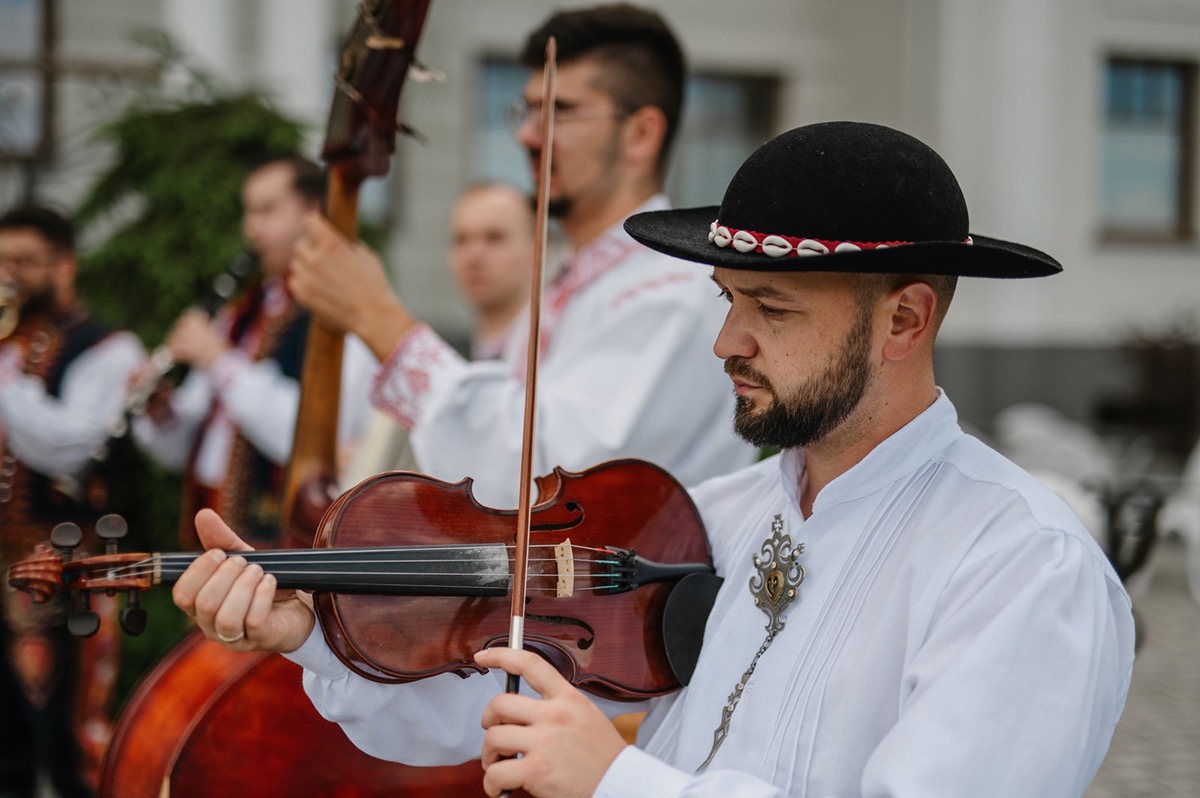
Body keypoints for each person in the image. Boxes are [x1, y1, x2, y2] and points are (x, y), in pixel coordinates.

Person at [171, 121, 1136, 798]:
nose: (727, 342)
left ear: (905, 318)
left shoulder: (1023, 564)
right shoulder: (706, 516)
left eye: (774, 309)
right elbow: (492, 712)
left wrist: (616, 781)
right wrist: (313, 631)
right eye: (728, 300)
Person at [289, 4, 756, 508]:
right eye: (528, 109)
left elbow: (550, 480)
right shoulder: (574, 281)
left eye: (560, 110)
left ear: (641, 133)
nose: (527, 135)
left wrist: (377, 318)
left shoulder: (678, 291)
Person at [132, 157, 375, 545]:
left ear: (312, 213)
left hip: (280, 552)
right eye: (249, 212)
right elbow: (187, 452)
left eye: (266, 211)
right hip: (211, 541)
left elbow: (317, 442)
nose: (250, 228)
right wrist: (163, 415)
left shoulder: (339, 317)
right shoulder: (243, 313)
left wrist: (218, 360)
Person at [0, 205, 145, 796]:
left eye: (23, 262)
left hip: (68, 566)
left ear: (64, 266)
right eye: (0, 261)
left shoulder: (108, 347)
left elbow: (72, 446)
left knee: (68, 732)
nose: (8, 276)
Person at [340, 182, 536, 486]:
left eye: (495, 238)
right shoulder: (450, 358)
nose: (474, 254)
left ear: (536, 247)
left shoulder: (548, 357)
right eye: (460, 240)